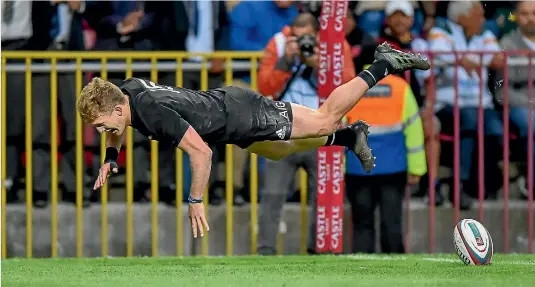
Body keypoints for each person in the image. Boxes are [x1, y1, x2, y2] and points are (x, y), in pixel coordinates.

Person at [76, 42, 430, 239]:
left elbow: (201, 154)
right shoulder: (122, 92)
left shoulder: (152, 113)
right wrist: (111, 157)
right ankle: (349, 138)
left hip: (241, 114)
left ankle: (382, 65)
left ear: (119, 109)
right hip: (230, 119)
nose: (103, 130)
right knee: (277, 153)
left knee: (324, 119)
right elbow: (117, 125)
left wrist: (195, 200)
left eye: (102, 125)